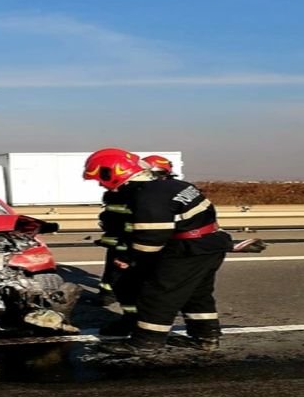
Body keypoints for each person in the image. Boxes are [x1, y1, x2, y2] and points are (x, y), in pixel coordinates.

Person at [83, 147, 233, 354]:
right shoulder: (171, 185)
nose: (100, 184)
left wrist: (129, 258)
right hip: (208, 243)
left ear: (113, 173)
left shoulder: (148, 196)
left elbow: (151, 238)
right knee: (196, 293)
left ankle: (146, 342)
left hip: (187, 248)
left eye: (101, 178)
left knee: (158, 294)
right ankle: (205, 337)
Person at [84, 149, 152, 335]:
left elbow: (137, 227)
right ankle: (133, 322)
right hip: (126, 248)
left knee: (132, 287)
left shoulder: (138, 194)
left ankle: (141, 328)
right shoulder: (127, 192)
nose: (100, 184)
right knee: (125, 287)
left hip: (134, 250)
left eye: (100, 179)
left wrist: (126, 255)